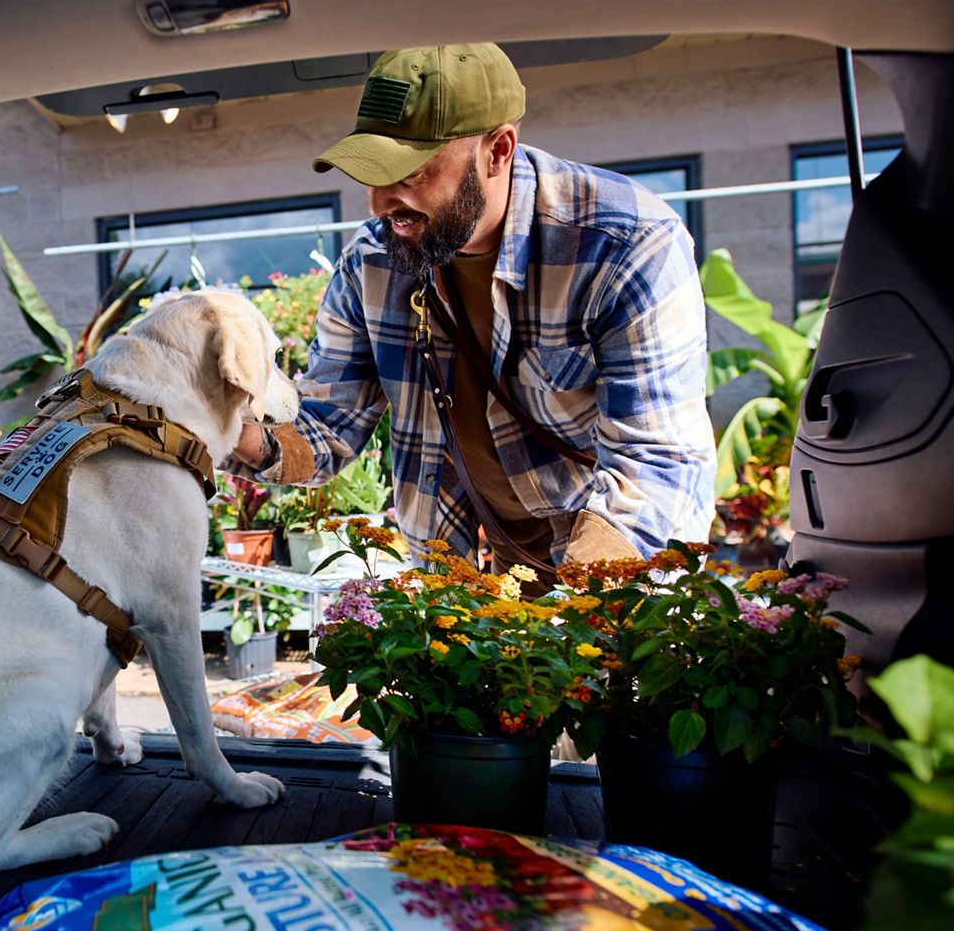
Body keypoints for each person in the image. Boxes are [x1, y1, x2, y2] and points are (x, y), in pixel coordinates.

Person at [229, 43, 716, 582]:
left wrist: (571, 618)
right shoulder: (371, 262)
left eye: (409, 175)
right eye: (371, 175)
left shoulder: (626, 246)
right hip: (484, 559)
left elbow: (653, 468)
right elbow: (326, 429)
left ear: (498, 150)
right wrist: (216, 428)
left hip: (616, 552)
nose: (378, 205)